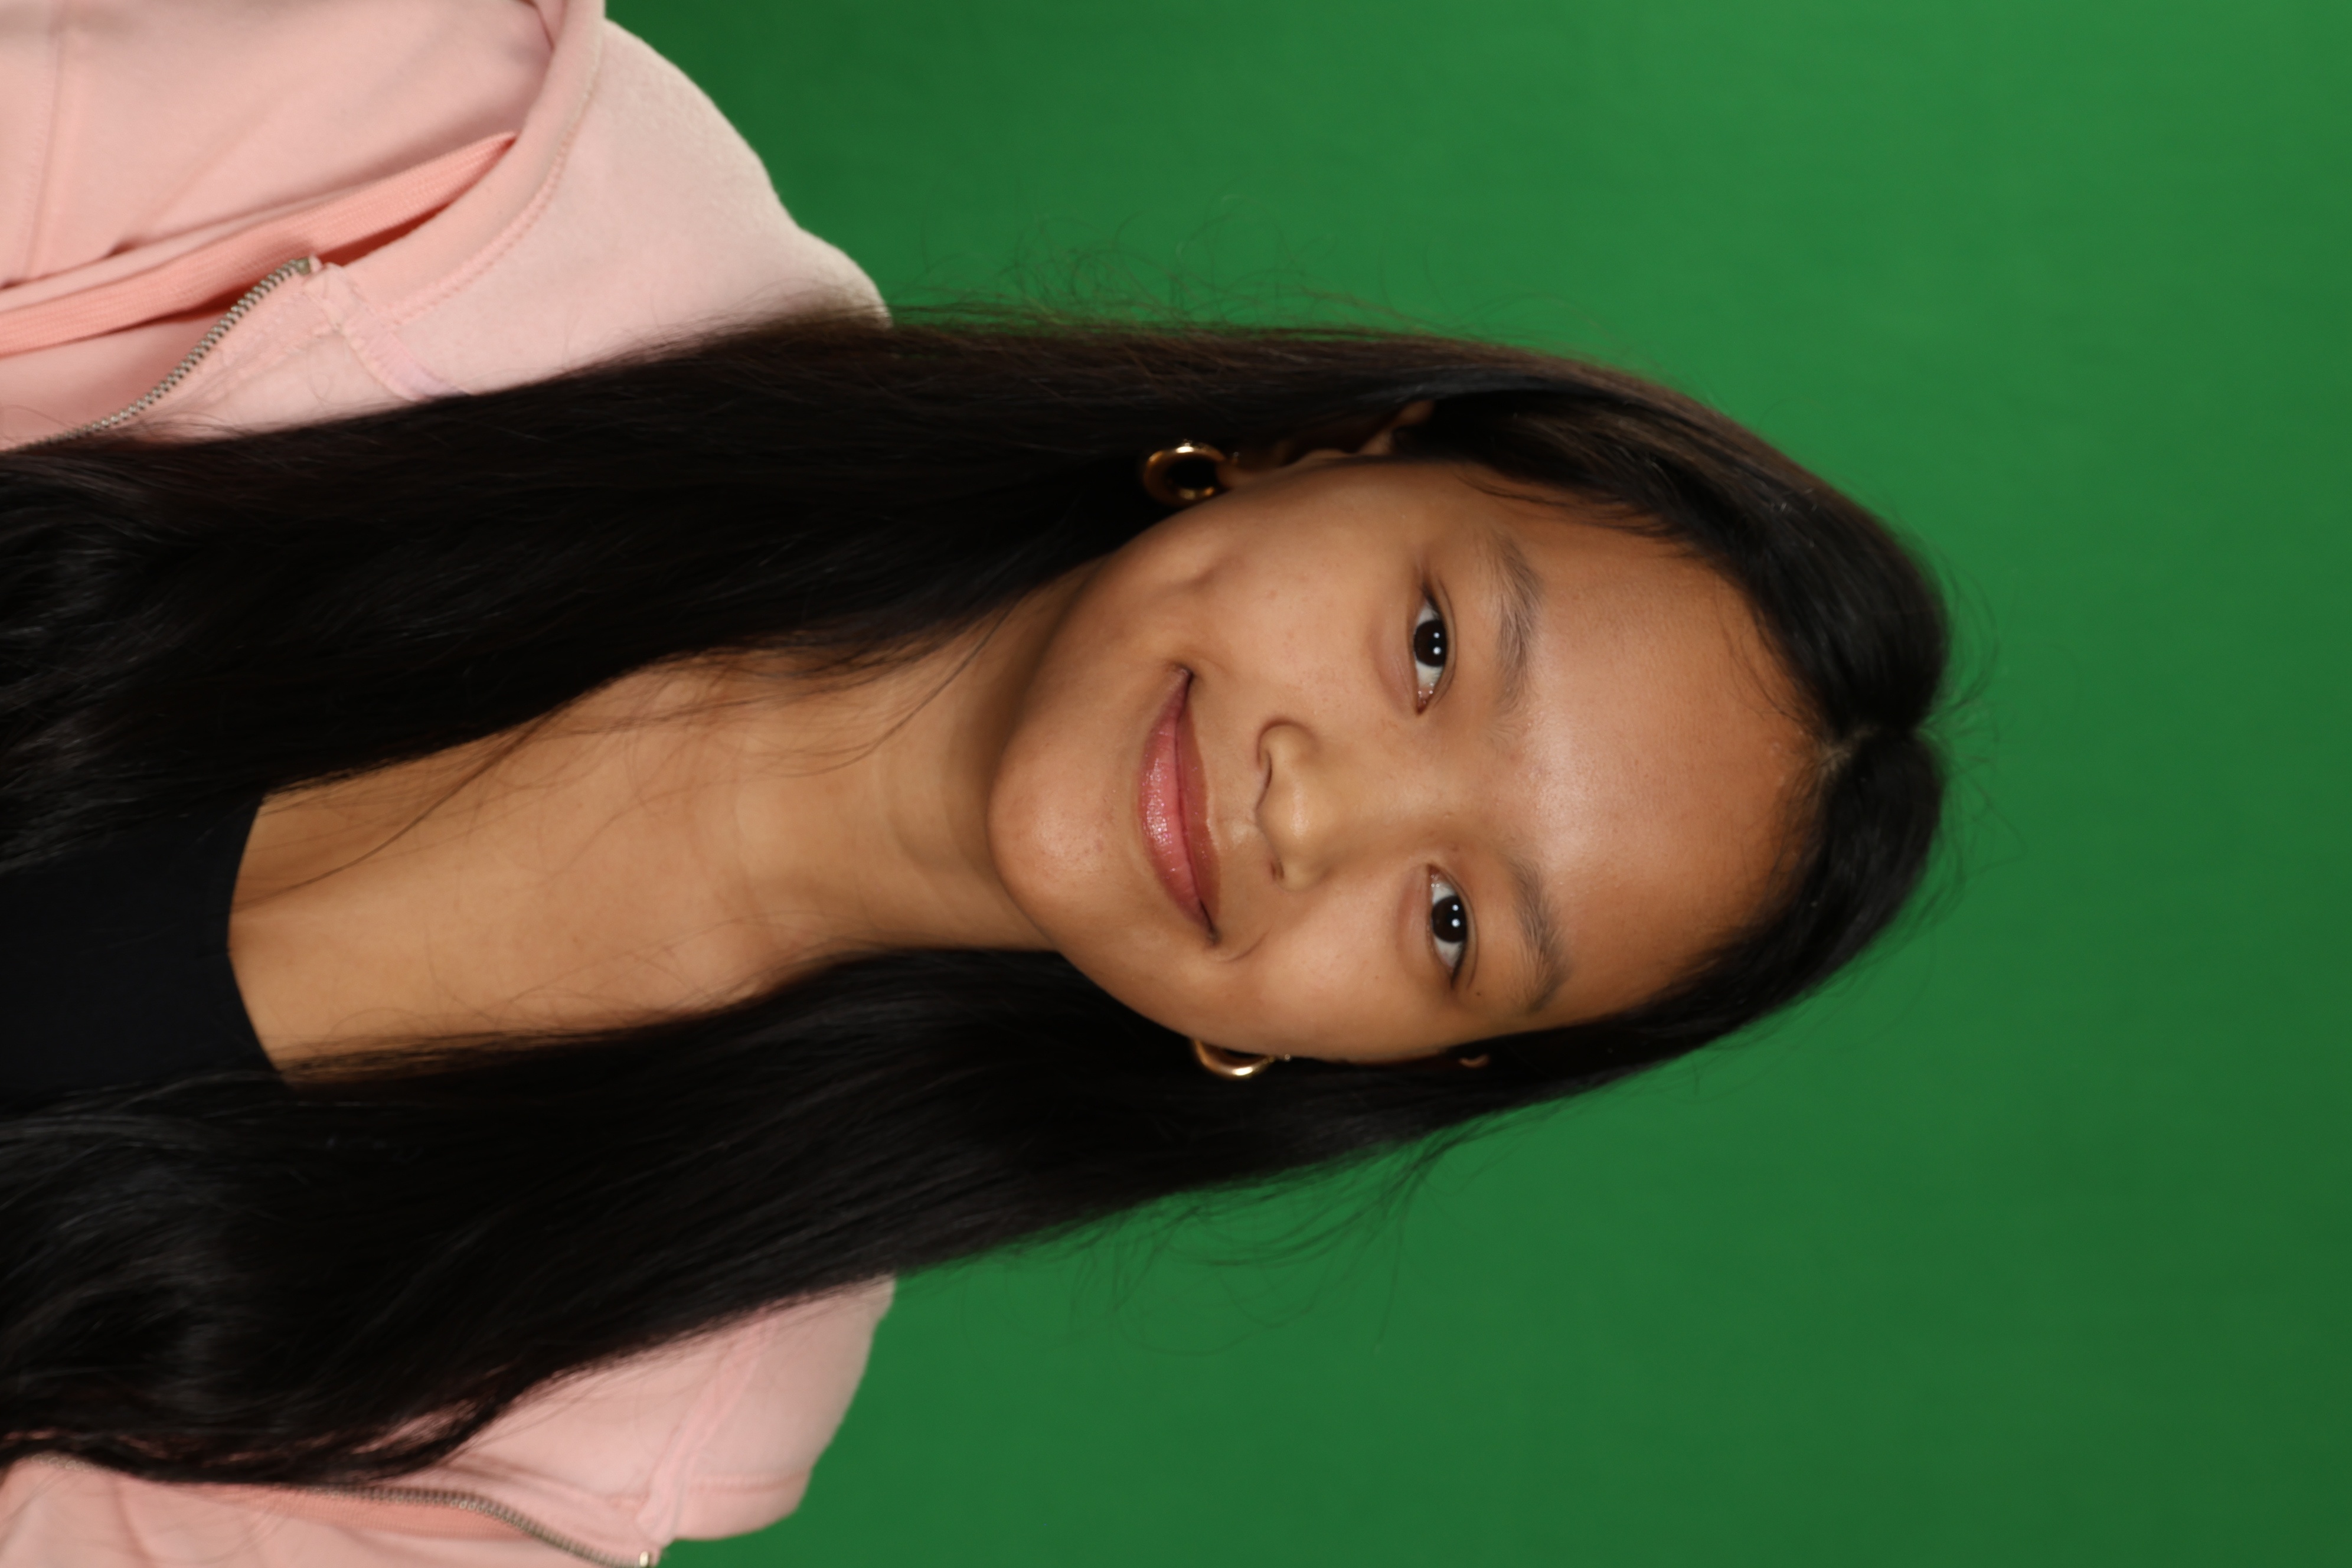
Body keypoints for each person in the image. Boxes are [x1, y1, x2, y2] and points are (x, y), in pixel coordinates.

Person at [0, 1, 1948, 1562]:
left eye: (1449, 924)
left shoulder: (591, 1442)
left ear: (1352, 1061)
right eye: (1433, 646)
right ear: (1340, 449)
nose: (1313, 812)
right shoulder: (485, 175)